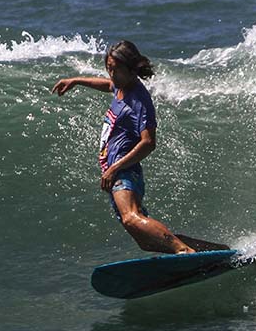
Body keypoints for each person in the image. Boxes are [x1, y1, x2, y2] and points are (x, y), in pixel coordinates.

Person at [52, 40, 228, 254]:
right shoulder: (120, 85)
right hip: (115, 170)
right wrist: (76, 81)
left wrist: (114, 168)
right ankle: (204, 250)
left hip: (124, 170)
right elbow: (108, 85)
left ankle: (184, 251)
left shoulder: (139, 100)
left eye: (115, 69)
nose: (111, 74)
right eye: (108, 68)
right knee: (145, 240)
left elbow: (148, 143)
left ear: (131, 69)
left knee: (131, 218)